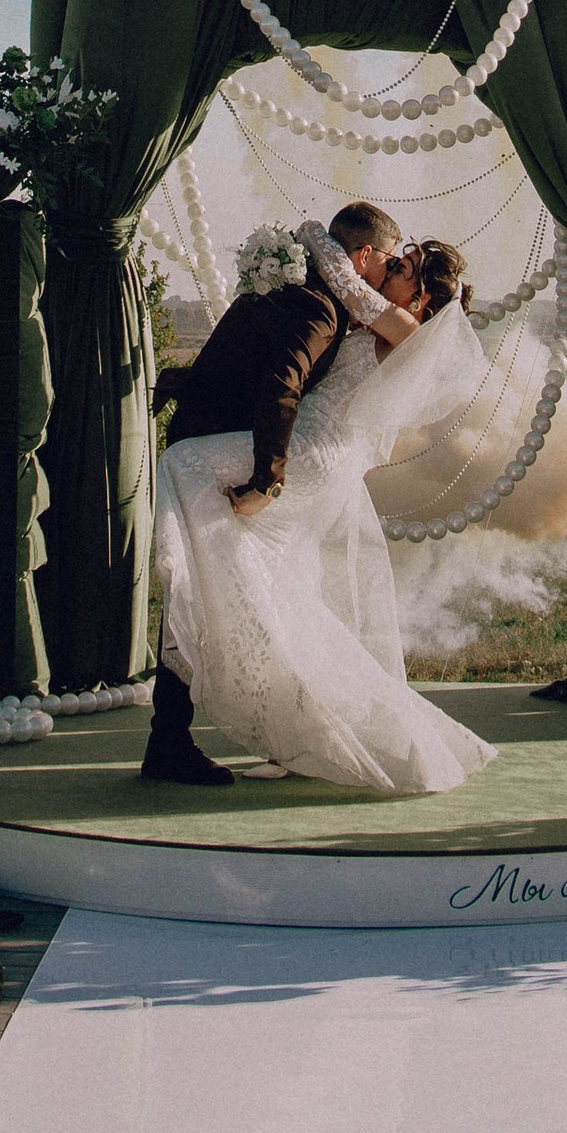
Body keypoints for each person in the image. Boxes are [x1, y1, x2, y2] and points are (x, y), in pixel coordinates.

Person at [149, 226, 498, 798]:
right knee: (281, 589)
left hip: (314, 453)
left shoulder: (403, 327)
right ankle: (290, 719)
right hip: (313, 448)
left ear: (422, 300)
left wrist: (316, 237)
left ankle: (216, 590)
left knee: (185, 465)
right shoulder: (376, 322)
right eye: (395, 259)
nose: (392, 270)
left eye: (403, 267)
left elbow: (348, 285)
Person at [142, 201, 404, 784]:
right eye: (387, 260)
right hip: (221, 458)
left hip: (207, 437)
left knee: (216, 588)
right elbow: (281, 386)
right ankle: (176, 741)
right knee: (209, 590)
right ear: (362, 257)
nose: (389, 273)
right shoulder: (317, 309)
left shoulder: (297, 287)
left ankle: (186, 735)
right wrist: (267, 479)